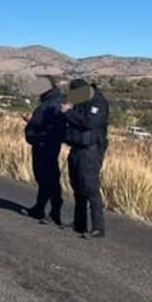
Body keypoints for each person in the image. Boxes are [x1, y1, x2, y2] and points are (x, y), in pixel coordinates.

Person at [61, 78, 110, 239]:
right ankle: (79, 222)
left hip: (91, 150)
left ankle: (98, 227)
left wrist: (68, 112)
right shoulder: (81, 101)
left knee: (90, 187)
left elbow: (89, 123)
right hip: (77, 147)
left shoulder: (99, 103)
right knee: (77, 186)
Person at [23, 76, 66, 225]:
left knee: (50, 177)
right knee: (42, 177)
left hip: (46, 144)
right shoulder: (48, 101)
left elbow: (53, 125)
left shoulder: (54, 102)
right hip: (41, 143)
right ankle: (39, 207)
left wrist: (34, 125)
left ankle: (55, 212)